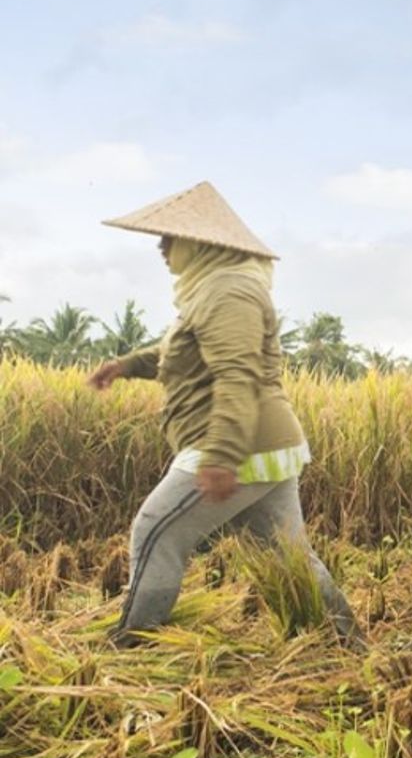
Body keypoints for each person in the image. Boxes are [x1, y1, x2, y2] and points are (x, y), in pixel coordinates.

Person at [88, 182, 361, 648]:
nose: (161, 248)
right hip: (263, 446)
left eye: (168, 238)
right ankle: (344, 642)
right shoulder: (212, 290)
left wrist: (221, 455)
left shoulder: (228, 292)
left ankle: (130, 645)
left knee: (155, 530)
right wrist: (128, 366)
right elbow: (183, 355)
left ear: (200, 243)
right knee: (287, 557)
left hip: (239, 445)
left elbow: (238, 375)